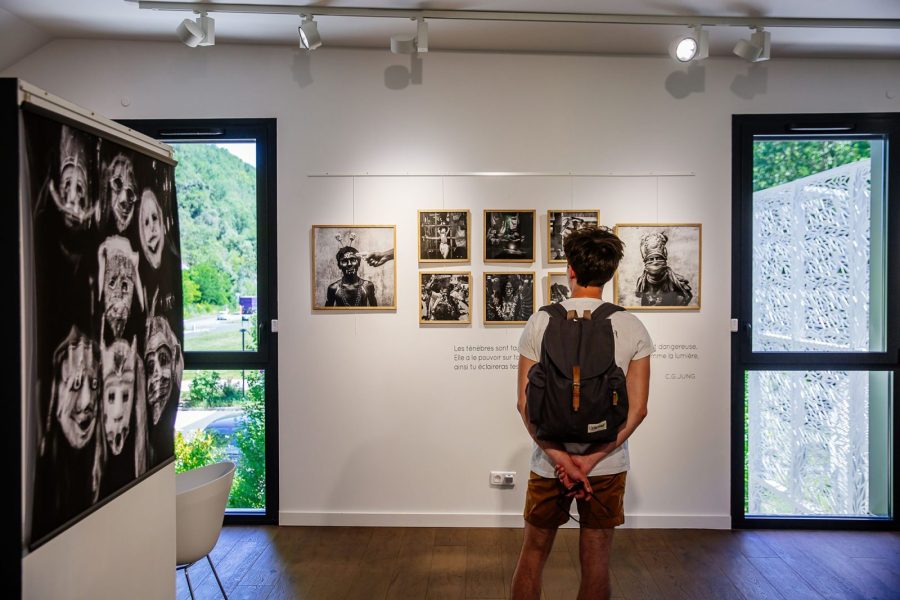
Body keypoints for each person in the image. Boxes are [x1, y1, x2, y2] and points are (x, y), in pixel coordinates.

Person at [511, 226, 653, 600]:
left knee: (533, 553)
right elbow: (637, 410)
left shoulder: (540, 321)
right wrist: (588, 463)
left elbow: (525, 404)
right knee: (596, 560)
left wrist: (563, 460)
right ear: (610, 273)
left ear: (569, 270)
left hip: (548, 462)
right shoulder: (631, 326)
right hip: (606, 466)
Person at [635, 231, 693, 306]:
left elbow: (687, 296)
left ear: (664, 259)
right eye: (651, 259)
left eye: (658, 258)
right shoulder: (642, 282)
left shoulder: (677, 282)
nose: (655, 262)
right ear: (646, 262)